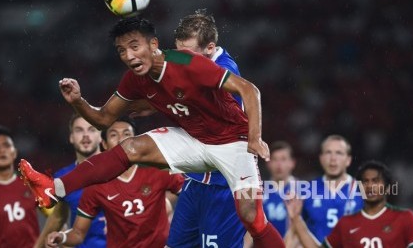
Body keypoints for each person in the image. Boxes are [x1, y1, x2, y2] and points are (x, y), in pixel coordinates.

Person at [19, 16, 285, 247]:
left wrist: (255, 138)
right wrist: (78, 101)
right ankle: (54, 188)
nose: (129, 56)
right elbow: (103, 119)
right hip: (196, 140)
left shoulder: (189, 63)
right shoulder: (135, 80)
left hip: (233, 143)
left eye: (134, 46)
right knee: (132, 147)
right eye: (121, 51)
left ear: (154, 45)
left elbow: (250, 90)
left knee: (251, 216)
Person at [165, 9, 246, 248]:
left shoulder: (225, 73)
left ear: (210, 48)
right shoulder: (187, 55)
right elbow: (170, 58)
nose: (182, 59)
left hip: (223, 183)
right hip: (196, 180)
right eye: (180, 51)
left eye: (187, 54)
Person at [46, 117, 184, 247]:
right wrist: (61, 237)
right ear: (104, 144)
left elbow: (190, 194)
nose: (121, 140)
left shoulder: (158, 170)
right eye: (113, 135)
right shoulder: (95, 186)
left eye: (126, 134)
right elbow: (78, 233)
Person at [286, 160, 413, 247]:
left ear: (388, 188)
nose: (370, 186)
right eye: (365, 182)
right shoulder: (346, 223)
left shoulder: (405, 218)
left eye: (376, 181)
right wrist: (297, 219)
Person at [34, 114, 106, 248]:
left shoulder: (117, 169)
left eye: (91, 129)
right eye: (79, 130)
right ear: (71, 137)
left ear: (101, 136)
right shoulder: (62, 178)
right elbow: (58, 217)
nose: (85, 135)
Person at [299, 134, 364, 245]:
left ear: (348, 160)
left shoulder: (363, 191)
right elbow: (295, 232)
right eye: (328, 152)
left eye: (339, 153)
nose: (333, 158)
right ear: (321, 158)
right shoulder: (307, 190)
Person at [262, 141, 299, 247]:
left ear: (292, 163)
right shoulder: (259, 190)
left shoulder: (304, 190)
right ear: (268, 163)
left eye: (283, 159)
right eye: (275, 159)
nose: (279, 164)